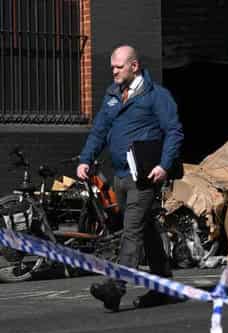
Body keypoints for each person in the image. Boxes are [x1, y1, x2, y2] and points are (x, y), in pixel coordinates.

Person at [77, 45, 184, 312]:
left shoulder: (156, 96)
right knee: (145, 229)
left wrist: (164, 165)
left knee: (132, 229)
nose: (113, 71)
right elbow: (100, 130)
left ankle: (116, 287)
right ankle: (164, 285)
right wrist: (85, 159)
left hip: (145, 176)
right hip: (121, 176)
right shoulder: (113, 95)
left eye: (118, 67)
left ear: (134, 66)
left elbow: (174, 131)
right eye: (112, 66)